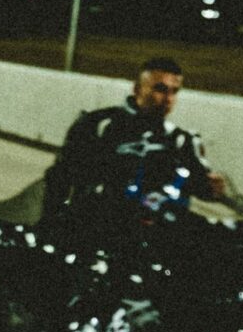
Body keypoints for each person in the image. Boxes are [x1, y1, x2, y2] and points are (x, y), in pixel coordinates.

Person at [41, 56, 228, 227]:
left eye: (174, 91)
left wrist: (212, 188)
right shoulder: (98, 125)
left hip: (157, 232)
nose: (168, 99)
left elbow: (200, 186)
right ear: (138, 88)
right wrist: (52, 223)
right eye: (160, 89)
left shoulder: (180, 140)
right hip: (97, 226)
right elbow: (60, 177)